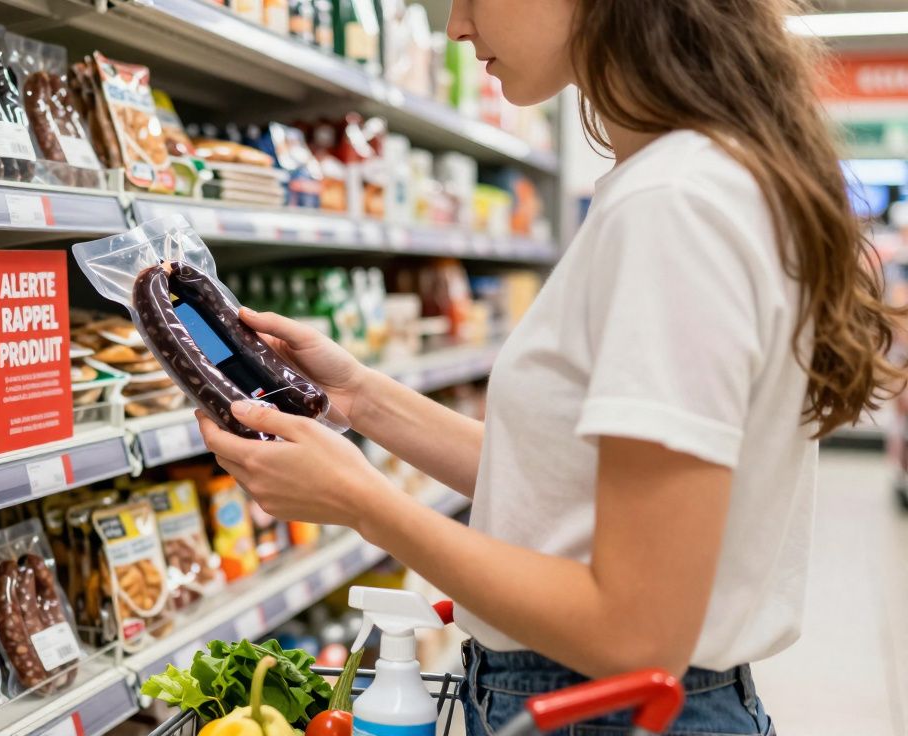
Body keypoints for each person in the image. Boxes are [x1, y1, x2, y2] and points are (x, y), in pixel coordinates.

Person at [194, 0, 904, 732]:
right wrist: (361, 397)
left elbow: (636, 631)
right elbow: (561, 485)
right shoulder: (685, 179)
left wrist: (364, 504)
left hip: (606, 709)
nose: (455, 28)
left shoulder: (674, 205)